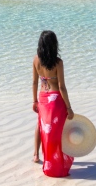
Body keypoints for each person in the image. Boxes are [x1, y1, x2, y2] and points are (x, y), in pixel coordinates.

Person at [32, 30, 75, 177]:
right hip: (56, 100)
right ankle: (56, 160)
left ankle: (36, 155)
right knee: (57, 131)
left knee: (41, 125)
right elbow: (62, 87)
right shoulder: (58, 62)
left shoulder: (36, 60)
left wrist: (34, 101)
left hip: (43, 97)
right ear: (54, 44)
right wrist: (69, 107)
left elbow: (34, 82)